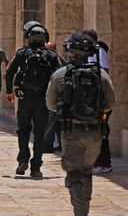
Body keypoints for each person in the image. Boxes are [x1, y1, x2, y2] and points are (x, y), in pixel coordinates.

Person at [46, 32, 116, 215]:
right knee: (86, 169)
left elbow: (50, 104)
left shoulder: (61, 74)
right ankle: (84, 207)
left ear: (70, 52)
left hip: (72, 131)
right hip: (95, 133)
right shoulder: (100, 74)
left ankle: (79, 207)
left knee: (73, 171)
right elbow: (111, 103)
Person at [5, 21, 60, 177]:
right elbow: (59, 76)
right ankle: (36, 167)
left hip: (24, 98)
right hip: (42, 99)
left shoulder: (22, 53)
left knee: (23, 130)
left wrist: (9, 91)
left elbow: (10, 72)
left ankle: (23, 159)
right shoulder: (51, 55)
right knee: (39, 132)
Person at [83, 29, 113, 174]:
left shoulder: (99, 50)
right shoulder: (87, 52)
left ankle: (104, 163)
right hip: (91, 98)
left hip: (100, 98)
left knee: (101, 129)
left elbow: (104, 71)